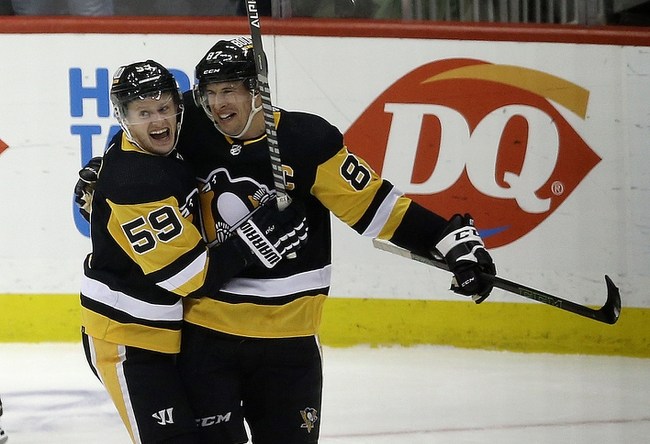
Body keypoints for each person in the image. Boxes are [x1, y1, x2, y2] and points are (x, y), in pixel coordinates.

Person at [75, 37, 496, 443]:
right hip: (207, 335)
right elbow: (137, 140)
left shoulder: (306, 142)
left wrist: (451, 239)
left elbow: (379, 209)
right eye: (209, 93)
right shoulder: (188, 122)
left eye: (229, 91)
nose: (217, 104)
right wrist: (103, 172)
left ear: (257, 90)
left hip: (289, 345)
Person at [79, 59, 307, 443]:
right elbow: (190, 277)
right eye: (144, 113)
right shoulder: (133, 182)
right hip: (127, 339)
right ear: (122, 116)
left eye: (165, 108)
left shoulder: (168, 149)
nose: (158, 122)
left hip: (175, 335)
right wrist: (255, 240)